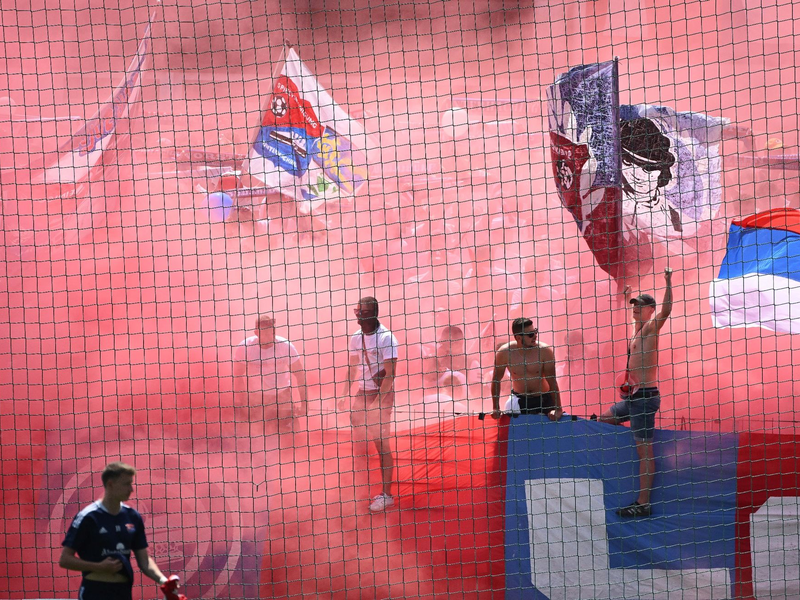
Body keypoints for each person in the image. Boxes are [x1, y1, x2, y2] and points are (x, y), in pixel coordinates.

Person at [599, 267, 673, 518]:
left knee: (645, 452)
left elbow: (666, 311)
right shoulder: (636, 328)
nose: (635, 309)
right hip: (631, 397)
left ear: (650, 310)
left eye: (639, 306)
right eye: (634, 306)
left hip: (645, 398)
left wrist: (668, 282)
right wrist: (625, 296)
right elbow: (627, 314)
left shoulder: (652, 327)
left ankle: (643, 503)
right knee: (604, 420)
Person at [59, 462, 175, 600]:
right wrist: (99, 567)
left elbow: (144, 561)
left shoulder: (133, 516)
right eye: (126, 484)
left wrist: (164, 581)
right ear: (110, 484)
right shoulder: (88, 517)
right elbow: (65, 560)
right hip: (95, 591)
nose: (131, 489)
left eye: (131, 483)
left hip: (123, 591)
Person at [337, 296, 399, 512]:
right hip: (362, 394)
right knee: (359, 443)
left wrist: (377, 405)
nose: (358, 317)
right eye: (357, 312)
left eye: (362, 313)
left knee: (381, 445)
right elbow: (352, 368)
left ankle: (387, 495)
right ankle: (359, 488)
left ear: (372, 314)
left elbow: (390, 376)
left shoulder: (387, 338)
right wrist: (344, 394)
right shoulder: (355, 338)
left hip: (381, 395)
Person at [233, 314, 308, 433]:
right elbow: (237, 376)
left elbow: (300, 375)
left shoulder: (285, 346)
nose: (270, 335)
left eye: (272, 331)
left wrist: (304, 404)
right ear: (256, 332)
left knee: (290, 436)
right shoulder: (245, 347)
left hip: (282, 396)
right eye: (266, 332)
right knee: (256, 436)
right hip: (256, 399)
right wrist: (242, 402)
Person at [490, 318, 564, 421]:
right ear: (518, 338)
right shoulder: (504, 353)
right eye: (530, 334)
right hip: (519, 400)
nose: (535, 336)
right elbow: (496, 379)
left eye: (535, 332)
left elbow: (552, 382)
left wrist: (558, 408)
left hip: (544, 400)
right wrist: (495, 407)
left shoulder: (544, 351)